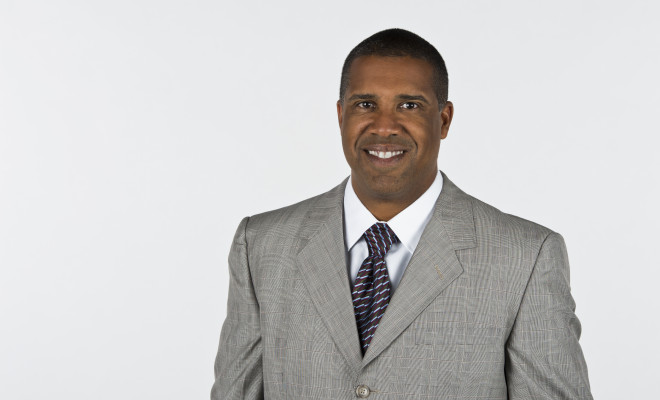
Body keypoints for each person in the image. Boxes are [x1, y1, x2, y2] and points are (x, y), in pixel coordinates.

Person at [211, 28, 593, 400]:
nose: (384, 127)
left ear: (443, 120)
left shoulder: (526, 257)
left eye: (409, 105)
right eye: (365, 104)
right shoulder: (260, 245)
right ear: (341, 115)